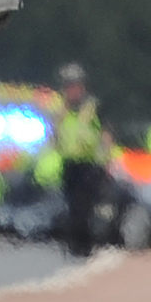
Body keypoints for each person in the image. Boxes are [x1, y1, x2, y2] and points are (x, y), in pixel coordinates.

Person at [51, 63, 109, 259]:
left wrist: (104, 162)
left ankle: (83, 245)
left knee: (82, 206)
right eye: (67, 86)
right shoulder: (60, 110)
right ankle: (75, 245)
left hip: (90, 164)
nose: (70, 90)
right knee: (71, 205)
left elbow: (105, 136)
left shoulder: (93, 108)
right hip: (69, 164)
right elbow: (55, 136)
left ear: (82, 86)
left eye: (73, 86)